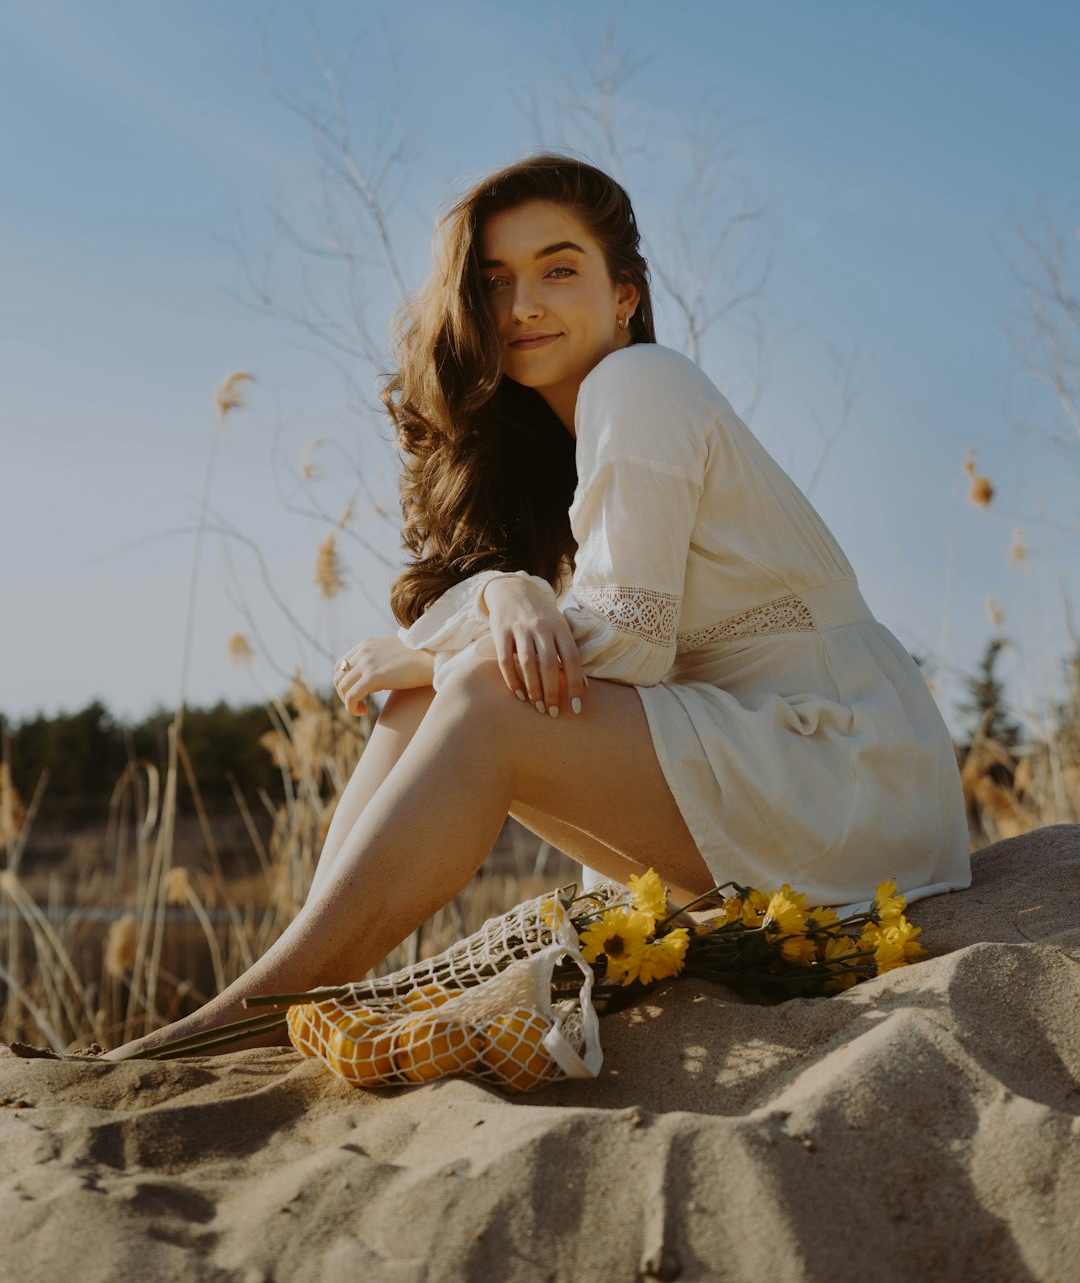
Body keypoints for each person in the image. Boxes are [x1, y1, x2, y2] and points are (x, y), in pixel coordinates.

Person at [106, 153, 970, 1059]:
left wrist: (456, 642)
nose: (522, 306)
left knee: (474, 690)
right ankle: (303, 986)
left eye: (558, 270)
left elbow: (629, 640)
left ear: (625, 293)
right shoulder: (566, 441)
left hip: (842, 768)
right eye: (494, 282)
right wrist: (500, 600)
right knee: (437, 691)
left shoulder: (639, 385)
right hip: (772, 764)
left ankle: (246, 1018)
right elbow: (579, 637)